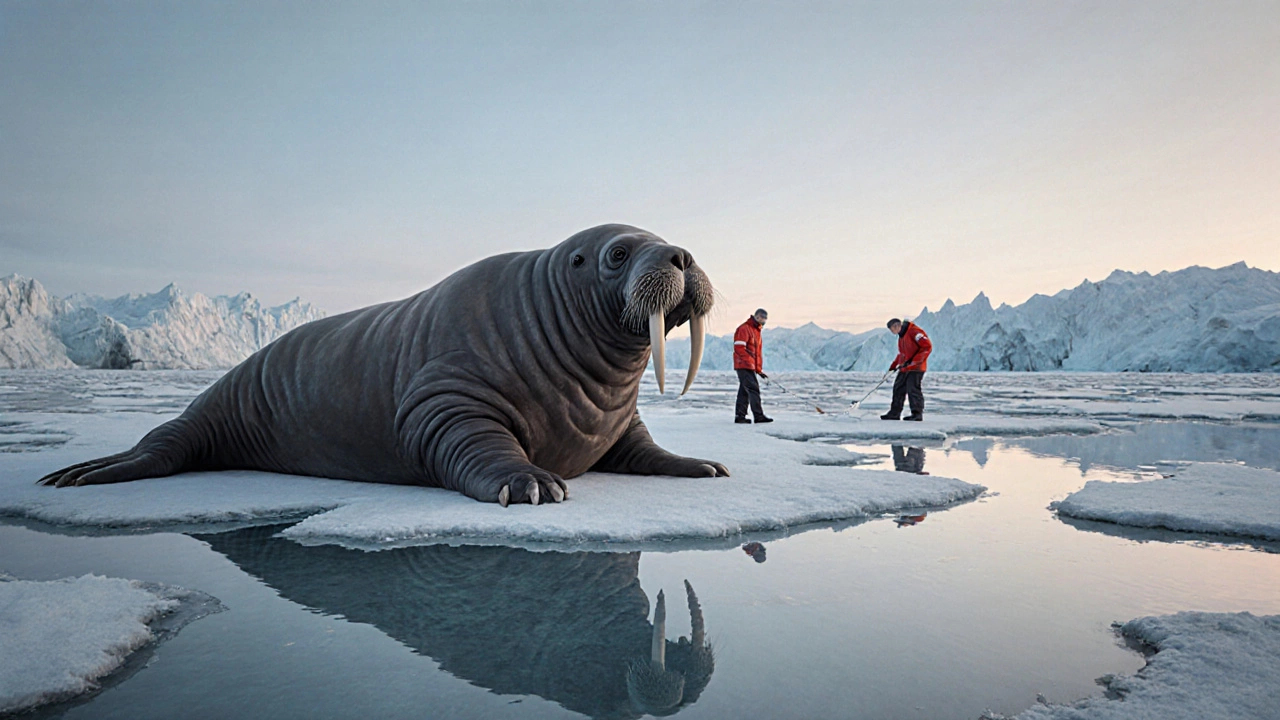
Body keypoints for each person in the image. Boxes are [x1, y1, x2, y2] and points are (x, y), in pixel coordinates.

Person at [882, 318, 931, 421]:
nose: (892, 332)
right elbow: (902, 355)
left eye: (892, 329)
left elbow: (927, 346)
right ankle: (894, 413)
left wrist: (914, 362)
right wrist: (893, 367)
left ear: (896, 326)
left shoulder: (914, 332)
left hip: (916, 368)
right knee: (898, 388)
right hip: (905, 368)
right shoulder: (902, 337)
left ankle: (917, 414)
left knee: (913, 389)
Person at [733, 309, 773, 424]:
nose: (763, 320)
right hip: (743, 365)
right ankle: (758, 415)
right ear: (756, 316)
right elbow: (739, 348)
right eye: (762, 317)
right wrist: (750, 363)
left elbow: (756, 354)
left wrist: (758, 369)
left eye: (765, 318)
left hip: (749, 366)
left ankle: (740, 416)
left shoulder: (756, 331)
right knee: (753, 389)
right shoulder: (744, 329)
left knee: (744, 390)